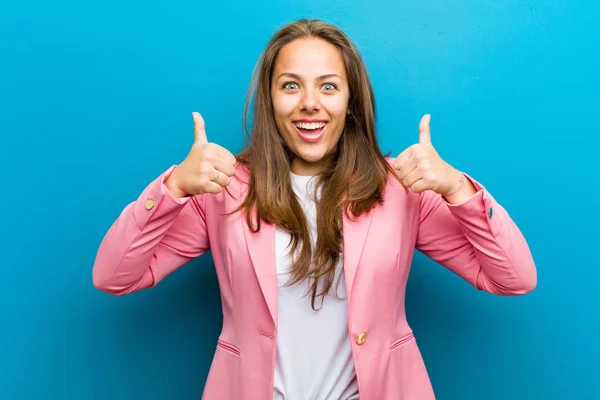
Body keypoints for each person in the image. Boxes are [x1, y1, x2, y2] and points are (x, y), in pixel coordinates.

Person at [92, 18, 537, 400]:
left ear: (350, 101)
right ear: (270, 99)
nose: (310, 103)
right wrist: (171, 188)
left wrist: (458, 189)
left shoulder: (399, 188)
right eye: (291, 86)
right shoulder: (224, 189)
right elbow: (115, 276)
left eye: (328, 86)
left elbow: (513, 279)